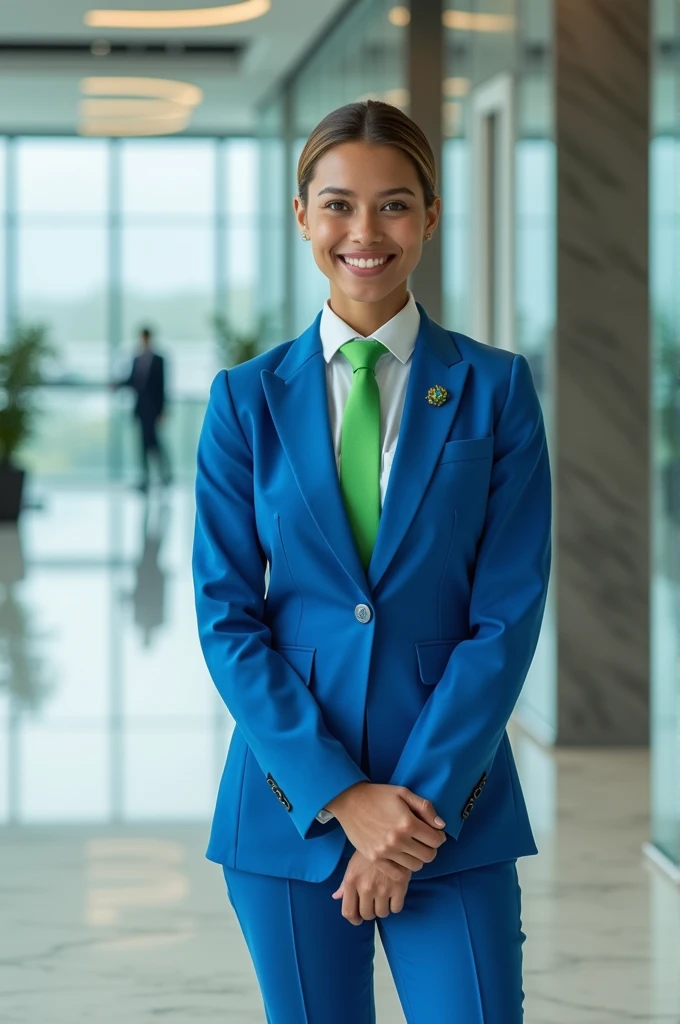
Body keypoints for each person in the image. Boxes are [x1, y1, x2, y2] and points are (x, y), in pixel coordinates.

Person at [192, 99, 552, 1023]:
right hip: (289, 814)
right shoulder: (244, 401)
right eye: (339, 204)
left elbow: (505, 620)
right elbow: (226, 617)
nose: (365, 232)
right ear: (303, 215)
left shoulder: (497, 388)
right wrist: (343, 797)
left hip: (451, 817)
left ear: (430, 216)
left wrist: (404, 822)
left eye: (394, 205)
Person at [110, 326, 172, 492]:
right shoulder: (136, 359)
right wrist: (118, 384)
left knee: (156, 445)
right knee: (142, 446)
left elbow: (163, 387)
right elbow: (133, 381)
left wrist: (163, 411)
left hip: (154, 410)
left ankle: (165, 477)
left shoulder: (159, 360)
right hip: (141, 410)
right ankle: (144, 479)